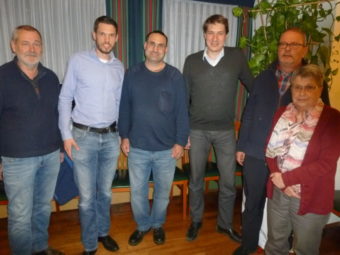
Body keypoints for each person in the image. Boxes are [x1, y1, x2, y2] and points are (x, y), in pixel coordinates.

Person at [234, 28, 330, 255]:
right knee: (253, 203)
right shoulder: (263, 77)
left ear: (304, 49)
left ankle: (283, 248)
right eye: (283, 44)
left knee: (284, 206)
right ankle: (248, 245)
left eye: (294, 44)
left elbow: (322, 121)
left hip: (291, 160)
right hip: (257, 153)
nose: (287, 49)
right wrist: (242, 145)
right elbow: (249, 112)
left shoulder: (312, 82)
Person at [183, 14, 253, 242]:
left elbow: (253, 87)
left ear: (226, 35)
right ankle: (196, 220)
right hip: (197, 130)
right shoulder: (192, 61)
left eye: (220, 32)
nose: (215, 38)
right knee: (195, 180)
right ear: (204, 35)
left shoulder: (236, 57)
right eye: (210, 32)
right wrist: (183, 132)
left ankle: (224, 224)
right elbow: (184, 99)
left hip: (225, 132)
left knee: (228, 182)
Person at [58, 16, 124, 255]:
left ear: (116, 38)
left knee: (104, 193)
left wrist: (120, 135)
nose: (106, 39)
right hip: (82, 138)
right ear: (94, 35)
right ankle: (89, 245)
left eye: (111, 35)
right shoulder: (78, 61)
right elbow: (65, 99)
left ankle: (103, 232)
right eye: (102, 34)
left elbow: (119, 104)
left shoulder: (119, 67)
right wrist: (66, 135)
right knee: (86, 198)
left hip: (110, 138)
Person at [118, 30, 189, 246]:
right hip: (137, 147)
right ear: (145, 45)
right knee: (138, 193)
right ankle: (142, 226)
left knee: (162, 194)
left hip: (167, 149)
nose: (156, 48)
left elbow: (181, 111)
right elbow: (124, 107)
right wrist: (124, 135)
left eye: (161, 45)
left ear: (166, 49)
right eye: (152, 43)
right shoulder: (131, 73)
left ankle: (157, 224)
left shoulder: (175, 76)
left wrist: (180, 141)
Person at [0, 25, 63, 255]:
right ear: (13, 46)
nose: (32, 48)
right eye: (25, 43)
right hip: (17, 160)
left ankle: (40, 249)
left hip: (49, 155)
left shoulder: (51, 77)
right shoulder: (3, 76)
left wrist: (59, 147)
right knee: (19, 215)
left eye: (36, 43)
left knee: (41, 209)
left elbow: (56, 115)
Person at [264, 64, 340, 255]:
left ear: (320, 90)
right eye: (297, 86)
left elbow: (326, 163)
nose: (302, 92)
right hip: (279, 191)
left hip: (310, 196)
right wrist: (281, 180)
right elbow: (270, 151)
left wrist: (287, 179)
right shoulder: (281, 114)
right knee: (275, 244)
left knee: (305, 249)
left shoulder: (333, 119)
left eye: (309, 87)